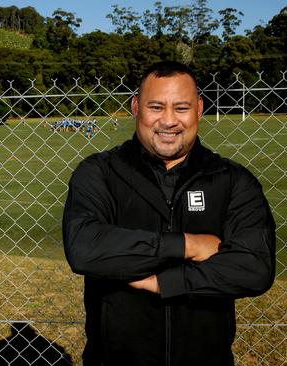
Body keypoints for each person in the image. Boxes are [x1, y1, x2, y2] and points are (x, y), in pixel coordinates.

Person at [63, 61, 275, 366]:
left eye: (181, 108)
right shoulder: (99, 174)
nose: (169, 121)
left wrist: (165, 283)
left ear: (199, 109)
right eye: (156, 107)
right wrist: (189, 245)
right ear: (136, 107)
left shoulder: (231, 181)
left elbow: (254, 268)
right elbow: (85, 248)